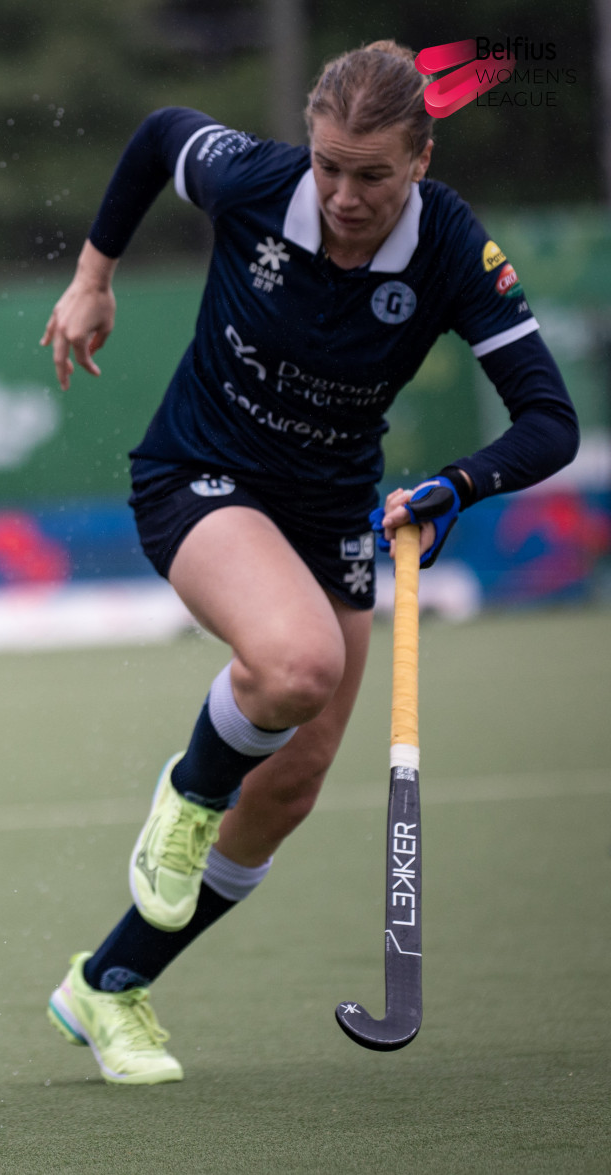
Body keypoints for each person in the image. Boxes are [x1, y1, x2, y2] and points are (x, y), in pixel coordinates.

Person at [35, 42, 578, 1084]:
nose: (342, 196)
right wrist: (93, 275)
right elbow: (157, 136)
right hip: (199, 475)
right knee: (297, 664)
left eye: (372, 174)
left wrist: (457, 484)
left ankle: (108, 983)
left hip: (329, 514)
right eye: (329, 165)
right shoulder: (256, 180)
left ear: (420, 159)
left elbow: (549, 420)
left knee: (291, 784)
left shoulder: (451, 246)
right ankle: (188, 798)